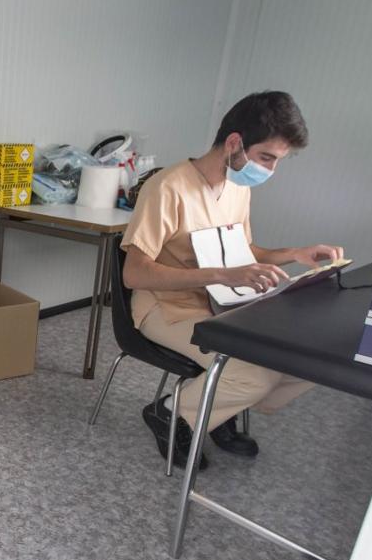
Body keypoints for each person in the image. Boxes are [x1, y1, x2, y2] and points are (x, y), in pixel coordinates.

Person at [120, 91, 342, 469]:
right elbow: (134, 273)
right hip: (166, 308)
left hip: (223, 301)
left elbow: (244, 250)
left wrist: (294, 254)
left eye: (277, 161)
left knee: (306, 358)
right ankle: (171, 413)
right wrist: (225, 274)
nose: (270, 171)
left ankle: (218, 408)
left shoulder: (237, 187)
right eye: (266, 158)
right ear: (235, 143)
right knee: (255, 376)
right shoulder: (168, 188)